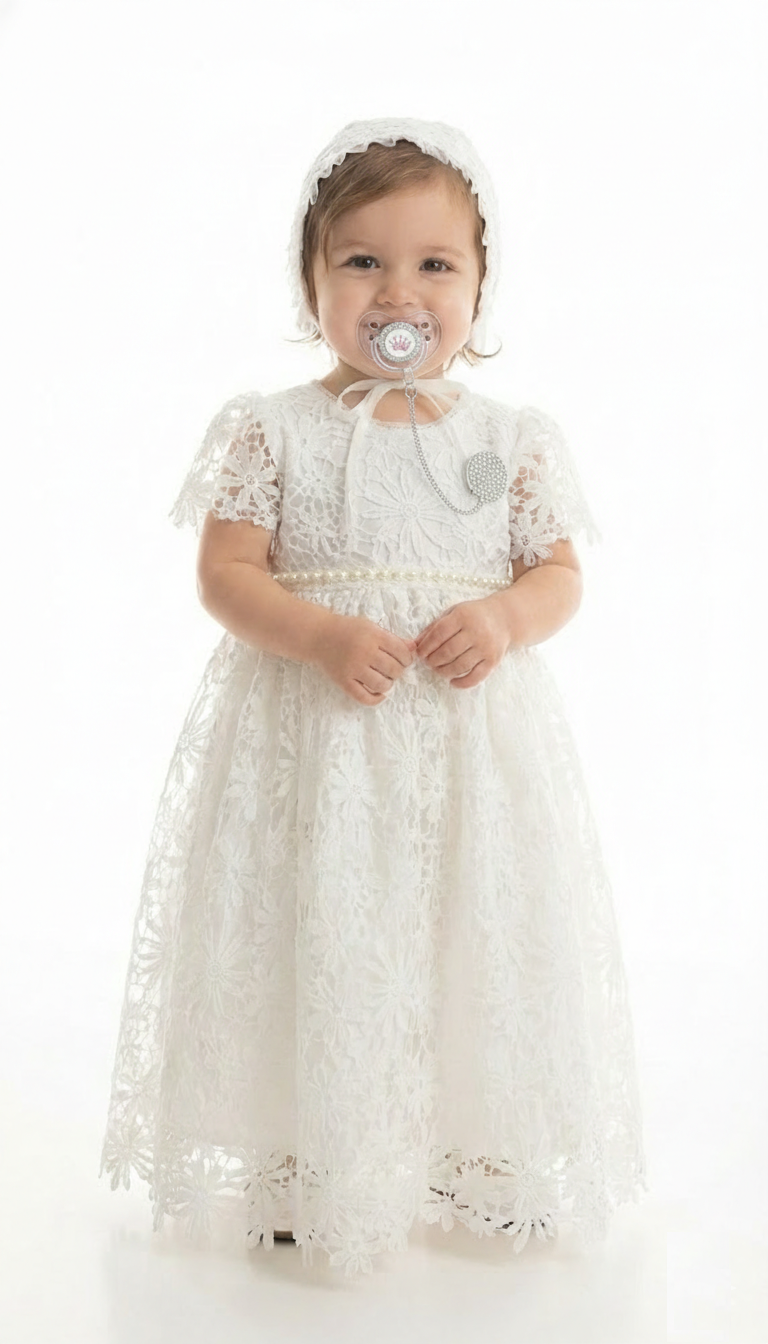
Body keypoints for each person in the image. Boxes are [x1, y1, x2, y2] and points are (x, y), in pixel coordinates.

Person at [99, 117, 648, 1279]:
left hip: (469, 755)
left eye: (435, 264)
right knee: (323, 933)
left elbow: (557, 574)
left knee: (472, 932)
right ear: (311, 282)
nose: (399, 289)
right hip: (316, 745)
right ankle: (311, 1160)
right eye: (362, 261)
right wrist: (319, 631)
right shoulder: (273, 429)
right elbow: (226, 574)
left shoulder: (512, 438)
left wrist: (502, 617)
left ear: (481, 286)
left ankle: (486, 1149)